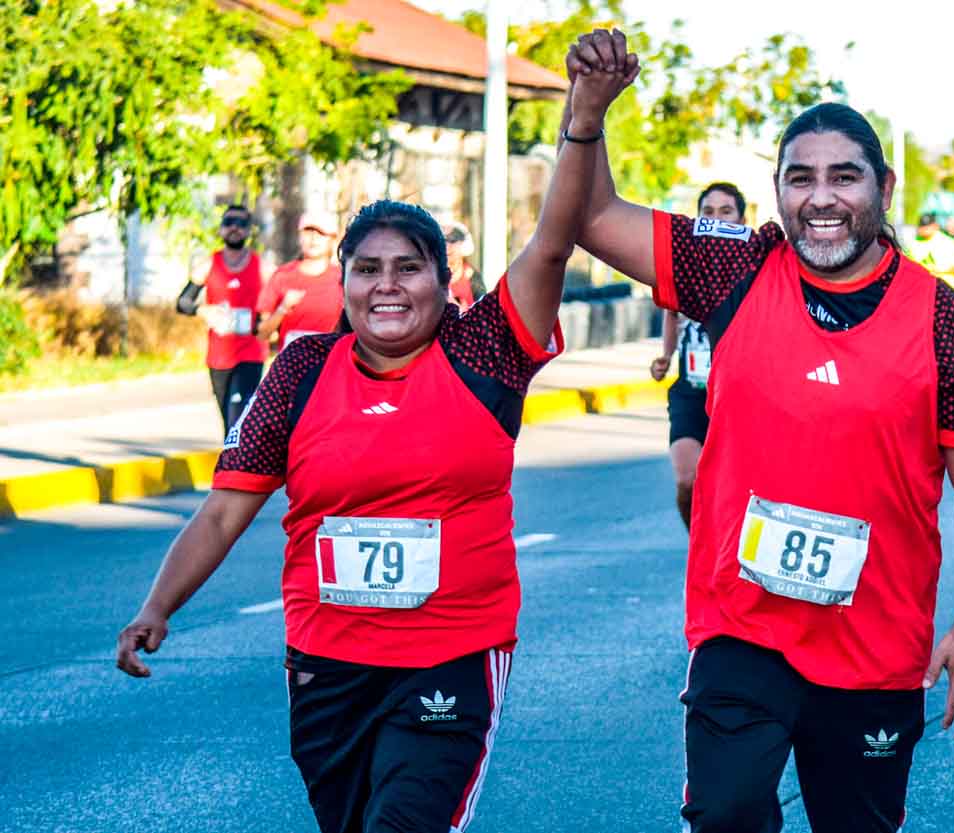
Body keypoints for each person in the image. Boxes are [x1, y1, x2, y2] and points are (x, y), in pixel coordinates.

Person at [117, 59, 636, 833]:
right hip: (325, 665)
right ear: (345, 283)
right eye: (367, 270)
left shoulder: (484, 350)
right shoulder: (301, 370)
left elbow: (552, 245)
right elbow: (224, 511)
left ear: (444, 280)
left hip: (450, 658)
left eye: (407, 268)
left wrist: (583, 117)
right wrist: (157, 606)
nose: (386, 285)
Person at [568, 30, 954, 833]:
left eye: (844, 176)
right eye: (799, 177)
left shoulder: (938, 314)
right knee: (727, 812)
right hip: (742, 629)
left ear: (884, 186)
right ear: (776, 190)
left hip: (875, 645)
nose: (821, 197)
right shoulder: (735, 267)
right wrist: (588, 114)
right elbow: (596, 217)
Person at [650, 182, 747, 529]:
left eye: (726, 212)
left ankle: (726, 547)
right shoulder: (686, 266)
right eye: (708, 212)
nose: (716, 220)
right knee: (686, 477)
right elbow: (670, 311)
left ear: (741, 221)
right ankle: (698, 544)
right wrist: (666, 355)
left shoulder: (752, 269)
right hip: (691, 391)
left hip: (737, 396)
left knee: (737, 487)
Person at [175, 204, 267, 437]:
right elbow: (182, 302)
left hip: (250, 354)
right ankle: (233, 457)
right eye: (228, 223)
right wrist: (203, 310)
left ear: (249, 230)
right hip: (218, 356)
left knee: (239, 415)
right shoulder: (209, 264)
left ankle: (237, 459)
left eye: (241, 223)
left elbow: (277, 301)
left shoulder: (261, 266)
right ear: (220, 229)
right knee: (228, 419)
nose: (234, 228)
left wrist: (265, 323)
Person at [256, 210, 344, 351]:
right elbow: (262, 334)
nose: (313, 238)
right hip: (292, 362)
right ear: (299, 236)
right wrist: (282, 309)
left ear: (333, 239)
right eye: (308, 232)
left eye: (321, 233)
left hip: (331, 361)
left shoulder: (343, 279)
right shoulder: (282, 276)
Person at [910, 212, 954, 291]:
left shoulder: (948, 242)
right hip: (921, 290)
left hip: (946, 291)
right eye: (923, 226)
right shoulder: (913, 243)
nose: (925, 229)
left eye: (928, 226)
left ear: (935, 226)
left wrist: (939, 270)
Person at [445, 222, 487, 313]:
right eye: (442, 240)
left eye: (452, 240)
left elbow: (484, 314)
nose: (446, 246)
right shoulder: (431, 277)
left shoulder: (473, 278)